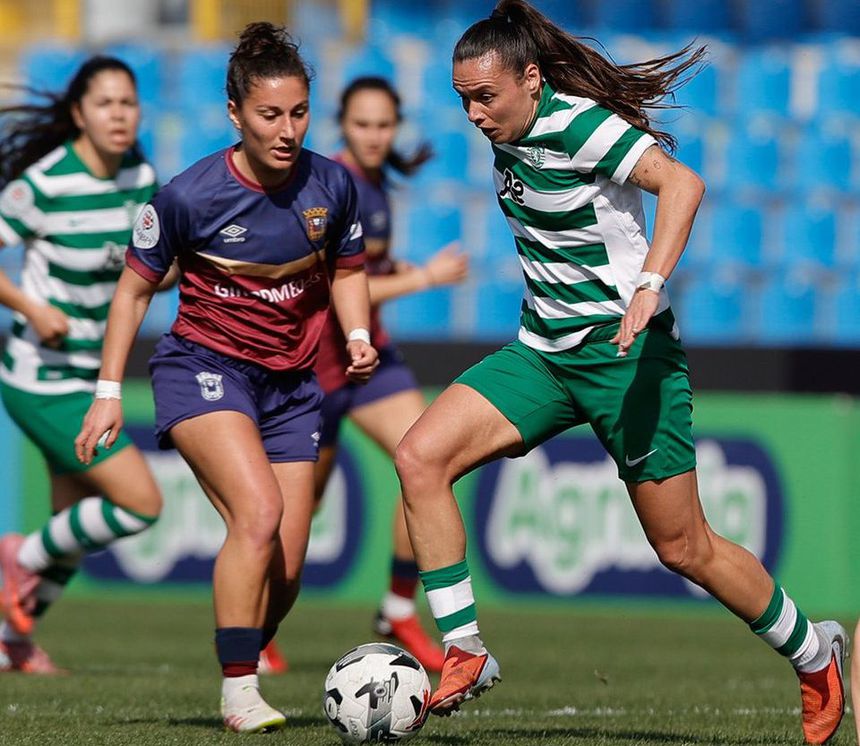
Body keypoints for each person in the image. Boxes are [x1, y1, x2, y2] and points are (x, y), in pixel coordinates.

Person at [392, 2, 848, 743]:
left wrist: (649, 284)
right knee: (419, 457)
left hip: (628, 356)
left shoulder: (578, 125)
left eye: (485, 97)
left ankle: (813, 653)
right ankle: (465, 648)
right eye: (463, 99)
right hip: (544, 354)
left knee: (684, 547)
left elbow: (683, 185)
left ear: (530, 80)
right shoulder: (511, 131)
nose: (473, 114)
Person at [75, 23, 376, 733]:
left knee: (288, 568)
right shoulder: (187, 196)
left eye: (299, 113)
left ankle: (241, 645)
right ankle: (240, 690)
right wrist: (108, 394)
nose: (287, 130)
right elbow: (132, 293)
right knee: (258, 514)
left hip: (291, 388)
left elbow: (349, 271)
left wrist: (357, 334)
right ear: (235, 114)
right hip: (203, 370)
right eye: (270, 115)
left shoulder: (333, 185)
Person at [0, 56, 164, 674]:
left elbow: (153, 266)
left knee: (70, 526)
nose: (119, 115)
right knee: (141, 503)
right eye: (105, 103)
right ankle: (18, 556)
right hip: (41, 377)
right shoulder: (45, 183)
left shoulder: (141, 178)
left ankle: (10, 643)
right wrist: (30, 306)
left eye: (128, 103)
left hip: (92, 376)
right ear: (79, 114)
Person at [308, 76, 468, 673]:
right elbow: (339, 285)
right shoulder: (335, 184)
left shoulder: (375, 184)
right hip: (317, 365)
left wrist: (397, 266)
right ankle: (257, 631)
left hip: (371, 359)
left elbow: (367, 266)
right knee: (296, 510)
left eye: (383, 125)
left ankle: (399, 608)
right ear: (343, 125)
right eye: (362, 124)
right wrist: (423, 278)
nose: (374, 135)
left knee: (428, 459)